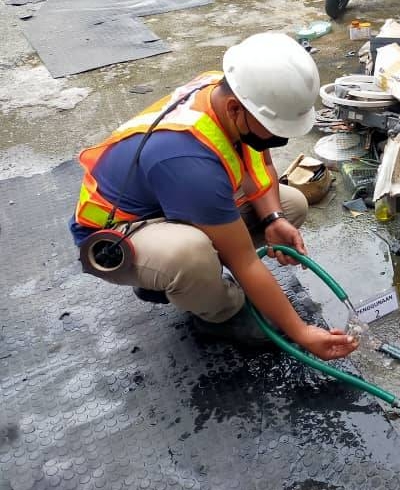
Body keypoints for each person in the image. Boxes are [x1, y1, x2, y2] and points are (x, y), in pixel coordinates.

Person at [71, 32, 358, 361]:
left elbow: (257, 158)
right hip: (118, 236)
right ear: (237, 109)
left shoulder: (222, 92)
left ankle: (195, 277)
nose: (281, 138)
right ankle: (221, 313)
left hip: (170, 200)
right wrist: (302, 332)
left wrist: (273, 218)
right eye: (274, 127)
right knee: (190, 257)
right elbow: (246, 262)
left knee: (291, 204)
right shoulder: (189, 163)